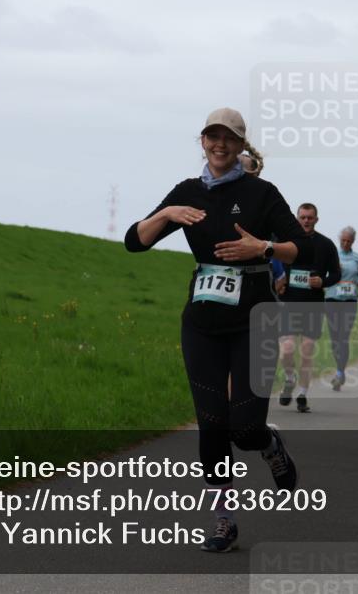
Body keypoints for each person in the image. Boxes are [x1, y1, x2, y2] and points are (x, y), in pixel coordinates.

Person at [125, 107, 312, 553]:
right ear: (202, 140)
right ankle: (223, 519)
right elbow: (136, 241)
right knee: (211, 423)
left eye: (228, 138)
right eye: (212, 137)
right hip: (203, 321)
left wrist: (261, 246)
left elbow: (301, 250)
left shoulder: (261, 193)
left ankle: (270, 447)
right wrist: (168, 211)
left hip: (255, 319)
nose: (219, 145)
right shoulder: (188, 193)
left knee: (244, 427)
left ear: (241, 144)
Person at [277, 204, 341, 413]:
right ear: (297, 219)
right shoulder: (287, 242)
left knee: (306, 350)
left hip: (313, 305)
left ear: (316, 219)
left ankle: (303, 394)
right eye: (303, 217)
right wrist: (278, 282)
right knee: (286, 350)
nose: (306, 221)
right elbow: (273, 266)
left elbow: (336, 274)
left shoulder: (326, 244)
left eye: (310, 218)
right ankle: (289, 378)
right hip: (289, 303)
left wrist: (322, 282)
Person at [325, 226, 358, 391]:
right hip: (332, 299)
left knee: (344, 337)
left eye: (349, 241)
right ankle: (339, 367)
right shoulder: (332, 255)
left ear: (353, 241)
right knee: (335, 339)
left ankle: (340, 372)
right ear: (339, 239)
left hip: (349, 301)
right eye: (343, 240)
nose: (346, 243)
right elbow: (324, 274)